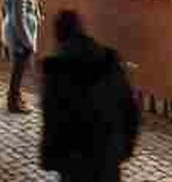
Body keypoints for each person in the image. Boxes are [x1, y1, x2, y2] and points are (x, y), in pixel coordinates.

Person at [41, 11, 140, 182]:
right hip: (107, 157)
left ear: (58, 37)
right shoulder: (109, 60)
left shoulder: (56, 72)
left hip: (75, 163)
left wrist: (49, 158)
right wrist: (125, 147)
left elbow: (52, 119)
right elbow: (130, 109)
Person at [0, 0, 42, 114]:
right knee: (18, 70)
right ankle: (13, 102)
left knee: (18, 68)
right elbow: (19, 18)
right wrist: (28, 42)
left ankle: (16, 98)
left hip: (16, 30)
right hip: (20, 34)